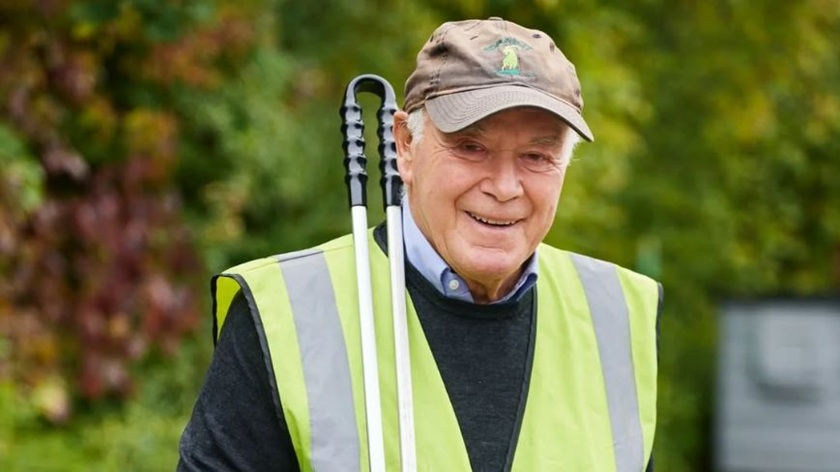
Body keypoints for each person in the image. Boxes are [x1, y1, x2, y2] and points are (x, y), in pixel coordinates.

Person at [178, 17, 661, 472]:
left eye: (537, 156)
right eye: (471, 147)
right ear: (405, 146)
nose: (505, 186)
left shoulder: (618, 317)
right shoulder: (287, 312)